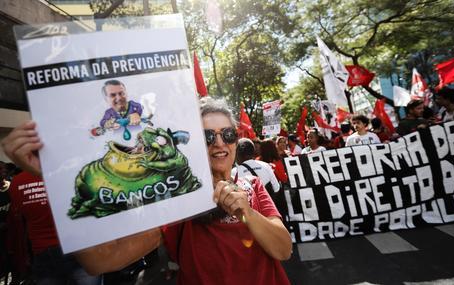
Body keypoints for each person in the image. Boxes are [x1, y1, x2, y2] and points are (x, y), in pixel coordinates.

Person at [2, 97, 292, 285]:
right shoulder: (178, 200)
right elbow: (99, 260)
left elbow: (283, 249)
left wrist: (247, 212)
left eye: (227, 134)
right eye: (208, 136)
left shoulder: (252, 185)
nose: (220, 143)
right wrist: (58, 180)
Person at [6, 171, 101, 285]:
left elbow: (20, 214)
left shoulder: (17, 182)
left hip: (42, 250)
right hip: (77, 247)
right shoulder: (68, 173)